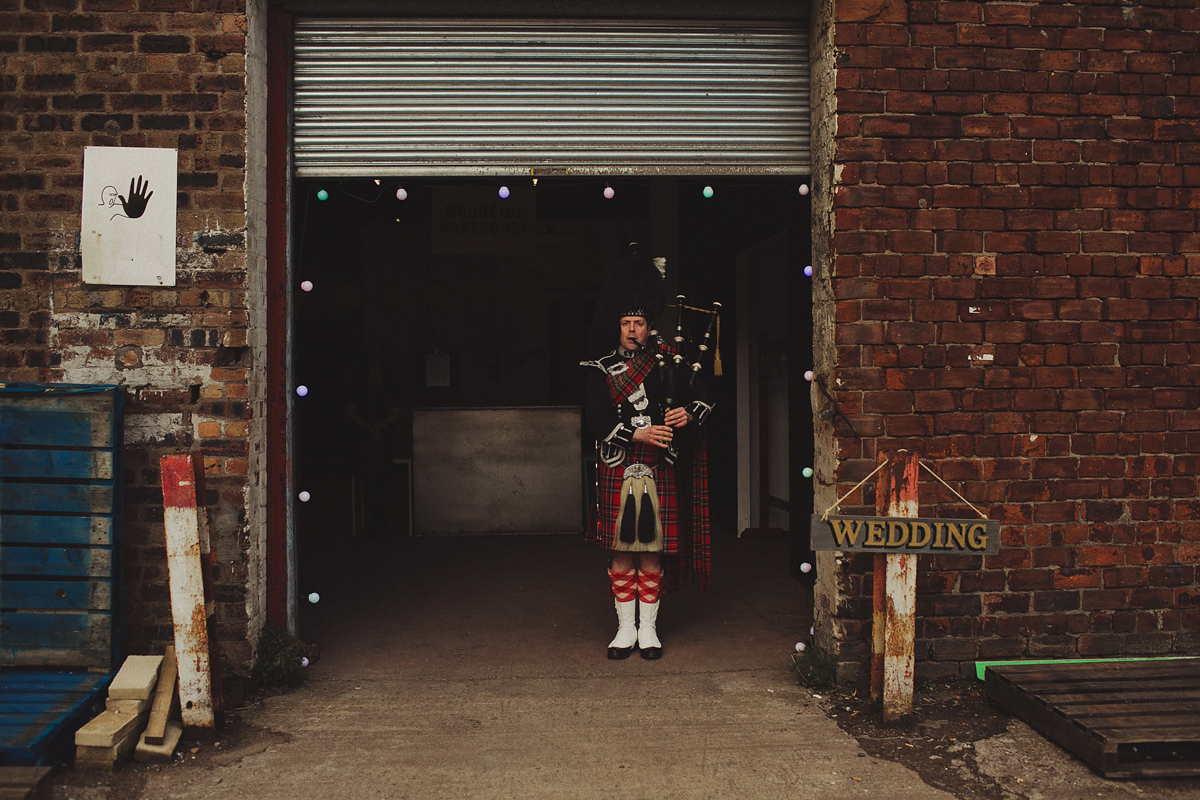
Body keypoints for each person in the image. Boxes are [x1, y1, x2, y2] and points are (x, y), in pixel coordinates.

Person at [581, 253, 714, 660]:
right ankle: (624, 629)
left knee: (652, 548)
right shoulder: (600, 367)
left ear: (649, 324)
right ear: (616, 325)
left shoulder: (670, 360)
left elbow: (706, 397)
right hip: (619, 463)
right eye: (626, 323)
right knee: (622, 548)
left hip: (659, 465)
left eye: (639, 323)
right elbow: (594, 417)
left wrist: (687, 414)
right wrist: (636, 431)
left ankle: (649, 631)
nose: (633, 330)